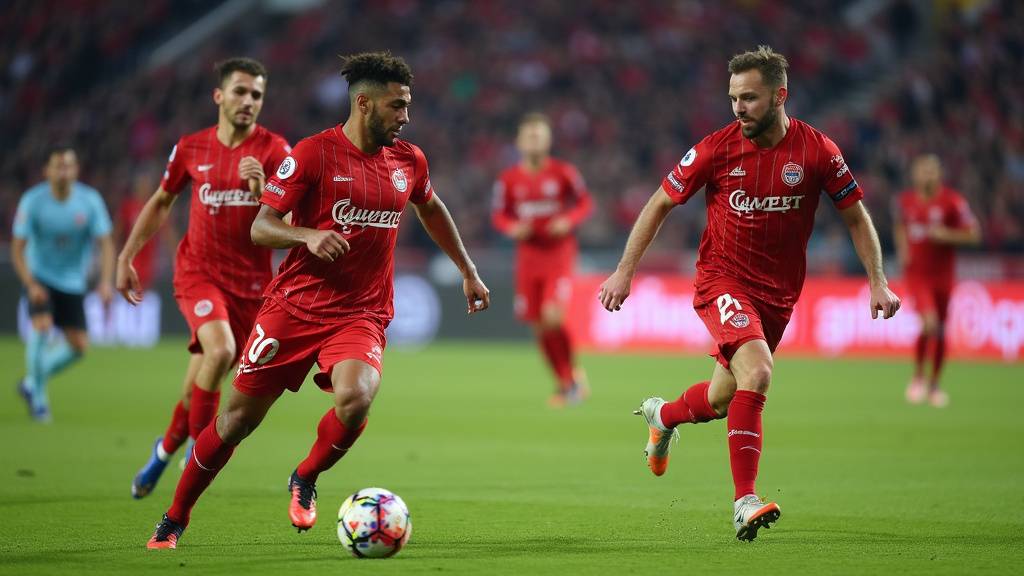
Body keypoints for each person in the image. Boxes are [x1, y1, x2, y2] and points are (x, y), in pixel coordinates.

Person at [145, 51, 490, 549]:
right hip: (294, 308)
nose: (406, 116)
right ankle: (175, 517)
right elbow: (262, 227)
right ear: (364, 104)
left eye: (408, 105)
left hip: (361, 313)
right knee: (237, 421)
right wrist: (307, 235)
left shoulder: (409, 160)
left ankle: (305, 476)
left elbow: (431, 207)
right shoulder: (312, 154)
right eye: (397, 106)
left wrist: (468, 270)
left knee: (356, 399)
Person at [598, 46, 901, 541]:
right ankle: (745, 501)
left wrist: (877, 279)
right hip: (723, 281)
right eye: (734, 98)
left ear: (781, 96)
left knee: (721, 398)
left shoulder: (818, 151)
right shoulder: (716, 148)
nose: (739, 108)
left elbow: (854, 215)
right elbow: (659, 203)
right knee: (758, 372)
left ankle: (662, 415)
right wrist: (624, 271)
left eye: (751, 98)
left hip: (779, 296)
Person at [117, 57, 291, 499]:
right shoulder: (192, 148)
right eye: (240, 91)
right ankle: (197, 451)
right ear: (219, 96)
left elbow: (290, 223)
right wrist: (127, 256)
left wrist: (260, 193)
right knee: (221, 351)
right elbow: (161, 202)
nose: (248, 101)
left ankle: (163, 450)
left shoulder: (276, 153)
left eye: (256, 95)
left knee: (202, 379)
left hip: (251, 290)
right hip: (198, 273)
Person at [492, 112, 593, 406]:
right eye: (530, 135)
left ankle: (573, 376)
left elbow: (585, 202)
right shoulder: (509, 179)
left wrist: (569, 219)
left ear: (548, 140)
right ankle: (565, 383)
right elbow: (499, 214)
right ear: (519, 141)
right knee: (538, 325)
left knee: (552, 316)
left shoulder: (563, 173)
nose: (535, 139)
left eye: (540, 134)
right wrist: (511, 227)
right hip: (528, 256)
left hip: (558, 254)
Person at [12, 145, 115, 422]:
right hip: (40, 278)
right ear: (46, 171)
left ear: (76, 170)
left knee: (79, 346)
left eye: (68, 166)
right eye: (58, 166)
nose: (63, 172)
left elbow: (105, 243)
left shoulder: (89, 201)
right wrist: (30, 283)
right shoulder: (32, 201)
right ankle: (40, 400)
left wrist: (106, 282)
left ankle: (32, 382)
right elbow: (17, 248)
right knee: (42, 326)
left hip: (72, 282)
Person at [893, 154, 980, 407]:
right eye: (923, 171)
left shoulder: (952, 202)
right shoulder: (906, 201)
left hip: (943, 276)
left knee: (940, 329)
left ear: (939, 174)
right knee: (930, 323)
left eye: (932, 171)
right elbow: (900, 225)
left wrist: (946, 235)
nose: (927, 175)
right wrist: (903, 249)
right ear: (915, 174)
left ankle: (933, 386)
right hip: (918, 276)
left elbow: (974, 234)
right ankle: (918, 378)